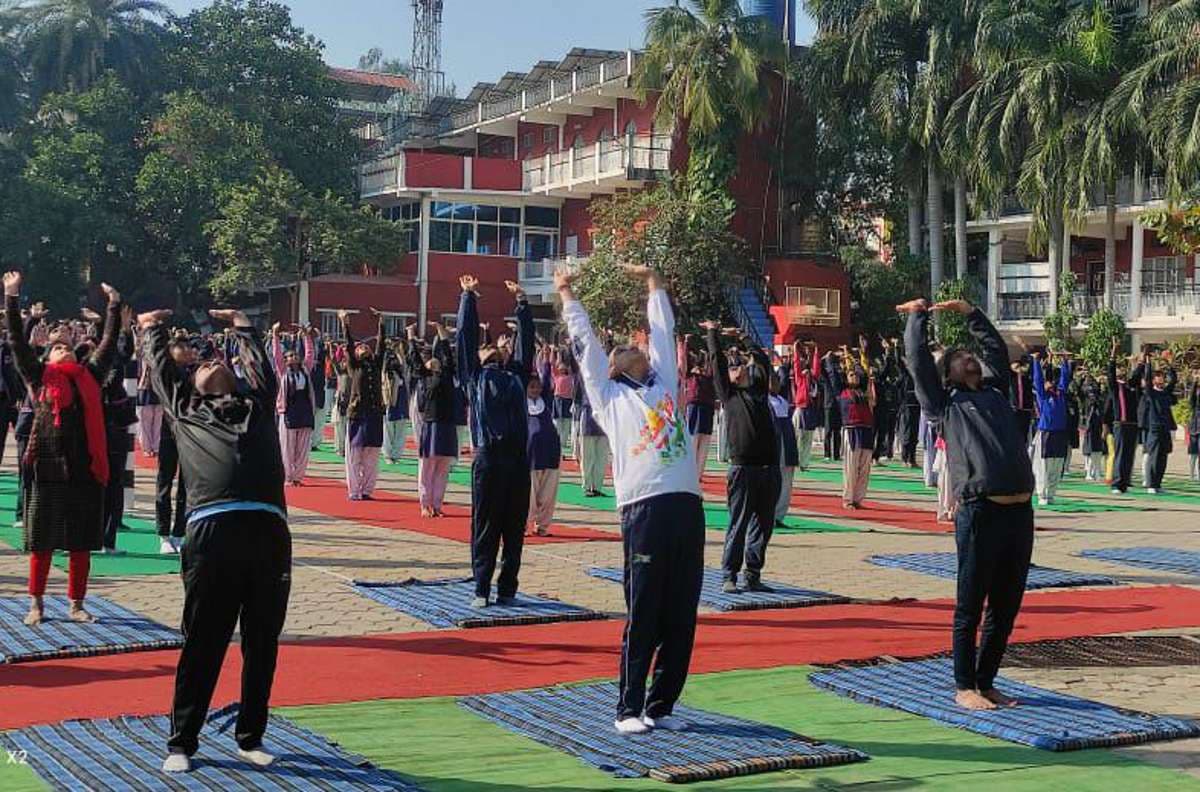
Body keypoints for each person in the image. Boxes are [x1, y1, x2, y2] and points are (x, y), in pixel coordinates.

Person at [141, 306, 290, 774]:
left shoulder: (256, 407)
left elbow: (264, 374)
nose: (211, 364)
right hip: (211, 532)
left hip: (267, 532)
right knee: (204, 640)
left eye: (217, 361)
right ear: (192, 385)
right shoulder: (185, 411)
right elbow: (163, 373)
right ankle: (182, 742)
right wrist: (151, 329)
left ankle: (251, 736)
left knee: (262, 641)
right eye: (202, 365)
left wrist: (244, 328)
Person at [559, 263, 703, 736]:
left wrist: (654, 282)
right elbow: (587, 351)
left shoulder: (665, 385)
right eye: (619, 349)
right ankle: (627, 707)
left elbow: (663, 330)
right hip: (644, 509)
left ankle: (662, 705)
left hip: (687, 505)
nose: (628, 346)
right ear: (614, 367)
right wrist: (566, 295)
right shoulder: (608, 397)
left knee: (682, 613)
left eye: (632, 344)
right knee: (644, 611)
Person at [901, 296, 1035, 711]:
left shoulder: (996, 392)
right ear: (949, 373)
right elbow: (918, 361)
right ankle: (964, 687)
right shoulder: (944, 405)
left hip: (1020, 510)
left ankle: (987, 681)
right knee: (971, 603)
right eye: (961, 358)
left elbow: (994, 347)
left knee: (1007, 605)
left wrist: (972, 315)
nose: (970, 360)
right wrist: (918, 318)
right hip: (981, 511)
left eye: (971, 356)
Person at [6, 273, 121, 625]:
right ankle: (36, 603)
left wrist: (114, 305)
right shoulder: (38, 376)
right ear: (47, 356)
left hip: (85, 470)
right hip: (47, 469)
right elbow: (15, 342)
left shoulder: (91, 375)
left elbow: (110, 343)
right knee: (41, 543)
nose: (64, 348)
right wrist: (11, 296)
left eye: (68, 345)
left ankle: (76, 603)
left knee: (81, 543)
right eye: (57, 347)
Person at [457, 276, 534, 606]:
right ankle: (481, 588)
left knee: (514, 527)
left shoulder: (516, 374)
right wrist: (468, 298)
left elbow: (526, 342)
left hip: (518, 459)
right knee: (486, 527)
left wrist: (523, 305)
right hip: (489, 458)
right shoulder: (474, 377)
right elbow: (464, 337)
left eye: (498, 345)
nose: (493, 346)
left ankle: (508, 587)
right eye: (486, 345)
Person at [705, 322, 779, 593]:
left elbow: (761, 360)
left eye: (739, 366)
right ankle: (729, 575)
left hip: (769, 468)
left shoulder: (758, 391)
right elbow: (717, 365)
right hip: (743, 469)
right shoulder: (729, 395)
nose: (738, 369)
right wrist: (713, 334)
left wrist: (744, 338)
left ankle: (753, 573)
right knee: (738, 523)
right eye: (733, 367)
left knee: (764, 524)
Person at [101, 307, 137, 554]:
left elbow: (125, 353)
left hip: (115, 430)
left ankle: (107, 539)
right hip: (95, 430)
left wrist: (125, 329)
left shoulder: (113, 360)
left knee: (115, 485)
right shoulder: (89, 360)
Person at [412, 322, 457, 517]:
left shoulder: (447, 376)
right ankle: (425, 503)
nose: (435, 362)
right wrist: (411, 337)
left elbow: (447, 356)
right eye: (431, 361)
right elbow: (415, 361)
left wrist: (442, 333)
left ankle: (437, 504)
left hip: (447, 425)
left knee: (442, 469)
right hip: (431, 425)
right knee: (427, 468)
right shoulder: (425, 378)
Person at [340, 309, 386, 501]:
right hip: (357, 413)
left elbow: (381, 346)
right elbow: (349, 346)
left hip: (375, 412)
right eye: (360, 348)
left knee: (372, 454)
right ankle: (354, 490)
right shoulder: (354, 366)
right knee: (354, 454)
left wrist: (381, 323)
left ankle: (367, 490)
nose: (363, 348)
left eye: (366, 347)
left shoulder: (376, 365)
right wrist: (345, 324)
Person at [156, 336, 194, 554]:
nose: (187, 350)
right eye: (181, 347)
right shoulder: (166, 373)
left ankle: (180, 533)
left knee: (186, 487)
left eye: (188, 346)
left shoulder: (194, 372)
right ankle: (163, 535)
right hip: (169, 432)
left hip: (189, 435)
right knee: (165, 483)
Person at [270, 325, 317, 486]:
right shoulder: (283, 372)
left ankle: (298, 476)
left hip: (304, 411)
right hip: (288, 412)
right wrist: (275, 334)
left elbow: (310, 354)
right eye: (289, 356)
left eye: (295, 355)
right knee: (287, 446)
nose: (293, 357)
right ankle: (288, 476)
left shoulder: (305, 370)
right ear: (285, 360)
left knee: (303, 447)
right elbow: (276, 356)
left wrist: (306, 336)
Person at [831, 351, 877, 509]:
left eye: (856, 375)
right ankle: (848, 499)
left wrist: (861, 355)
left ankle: (858, 498)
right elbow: (832, 375)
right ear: (846, 377)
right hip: (851, 431)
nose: (855, 377)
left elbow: (864, 373)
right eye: (851, 375)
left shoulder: (864, 393)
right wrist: (838, 358)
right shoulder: (841, 392)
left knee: (865, 467)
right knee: (851, 467)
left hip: (866, 431)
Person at [527, 343, 562, 536]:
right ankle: (524, 524)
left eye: (537, 386)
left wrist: (548, 358)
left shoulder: (546, 401)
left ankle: (542, 526)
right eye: (531, 386)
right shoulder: (521, 405)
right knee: (529, 494)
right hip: (530, 455)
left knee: (548, 494)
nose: (535, 389)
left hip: (550, 454)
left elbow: (548, 377)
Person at [1030, 351, 1073, 506]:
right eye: (1047, 382)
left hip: (1059, 433)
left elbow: (1065, 379)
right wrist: (1035, 361)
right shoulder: (1042, 396)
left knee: (1057, 464)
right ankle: (1042, 494)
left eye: (1051, 382)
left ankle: (1051, 494)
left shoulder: (1060, 395)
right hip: (1046, 433)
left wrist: (1065, 361)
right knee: (1044, 466)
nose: (1049, 384)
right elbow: (1037, 379)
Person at [1106, 338, 1142, 494]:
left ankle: (1125, 482)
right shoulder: (1115, 387)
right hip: (1120, 424)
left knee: (1129, 455)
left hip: (1133, 425)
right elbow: (1110, 372)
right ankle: (1116, 484)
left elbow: (1138, 373)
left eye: (1123, 369)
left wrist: (1141, 361)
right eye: (1120, 370)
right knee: (1120, 454)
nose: (1123, 372)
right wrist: (1114, 351)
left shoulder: (1131, 386)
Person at [679, 337, 716, 479]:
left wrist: (710, 343)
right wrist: (685, 343)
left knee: (705, 440)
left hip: (707, 407)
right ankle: (689, 471)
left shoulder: (708, 376)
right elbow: (684, 361)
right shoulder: (689, 375)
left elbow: (713, 366)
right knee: (693, 439)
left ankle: (698, 473)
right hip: (694, 405)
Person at [1141, 351, 1177, 494]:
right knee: (1153, 456)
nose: (1160, 379)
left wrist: (1169, 364)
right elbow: (1148, 380)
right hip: (1154, 429)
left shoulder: (1166, 392)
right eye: (1158, 377)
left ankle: (1158, 484)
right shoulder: (1151, 392)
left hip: (1165, 428)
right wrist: (1148, 362)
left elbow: (1173, 380)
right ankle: (1151, 484)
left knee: (1163, 457)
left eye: (1161, 376)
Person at [574, 366, 609, 496]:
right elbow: (576, 396)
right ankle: (587, 486)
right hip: (588, 415)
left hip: (604, 418)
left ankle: (598, 487)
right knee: (588, 456)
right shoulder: (582, 373)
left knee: (602, 456)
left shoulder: (608, 374)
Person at [770, 373, 798, 527]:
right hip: (774, 443)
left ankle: (779, 516)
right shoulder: (765, 401)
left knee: (786, 481)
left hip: (787, 443)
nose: (775, 384)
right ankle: (769, 515)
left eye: (776, 381)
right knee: (774, 480)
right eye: (771, 381)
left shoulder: (783, 401)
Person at [790, 340, 822, 473]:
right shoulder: (799, 379)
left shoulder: (814, 380)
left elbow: (817, 366)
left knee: (808, 438)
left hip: (810, 410)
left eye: (808, 371)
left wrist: (816, 350)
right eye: (804, 371)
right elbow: (796, 364)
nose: (806, 372)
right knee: (797, 436)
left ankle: (804, 463)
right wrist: (795, 348)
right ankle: (794, 460)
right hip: (800, 408)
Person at [382, 339, 410, 465]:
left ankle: (396, 454)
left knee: (400, 429)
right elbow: (384, 367)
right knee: (388, 429)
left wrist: (399, 350)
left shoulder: (403, 375)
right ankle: (388, 454)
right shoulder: (387, 375)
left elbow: (403, 364)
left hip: (402, 401)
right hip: (390, 401)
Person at [1079, 371, 1107, 482]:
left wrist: (1102, 386)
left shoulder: (1101, 392)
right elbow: (1086, 393)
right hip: (1089, 421)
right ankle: (1089, 472)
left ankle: (1097, 472)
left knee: (1098, 448)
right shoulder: (1086, 390)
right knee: (1089, 448)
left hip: (1099, 421)